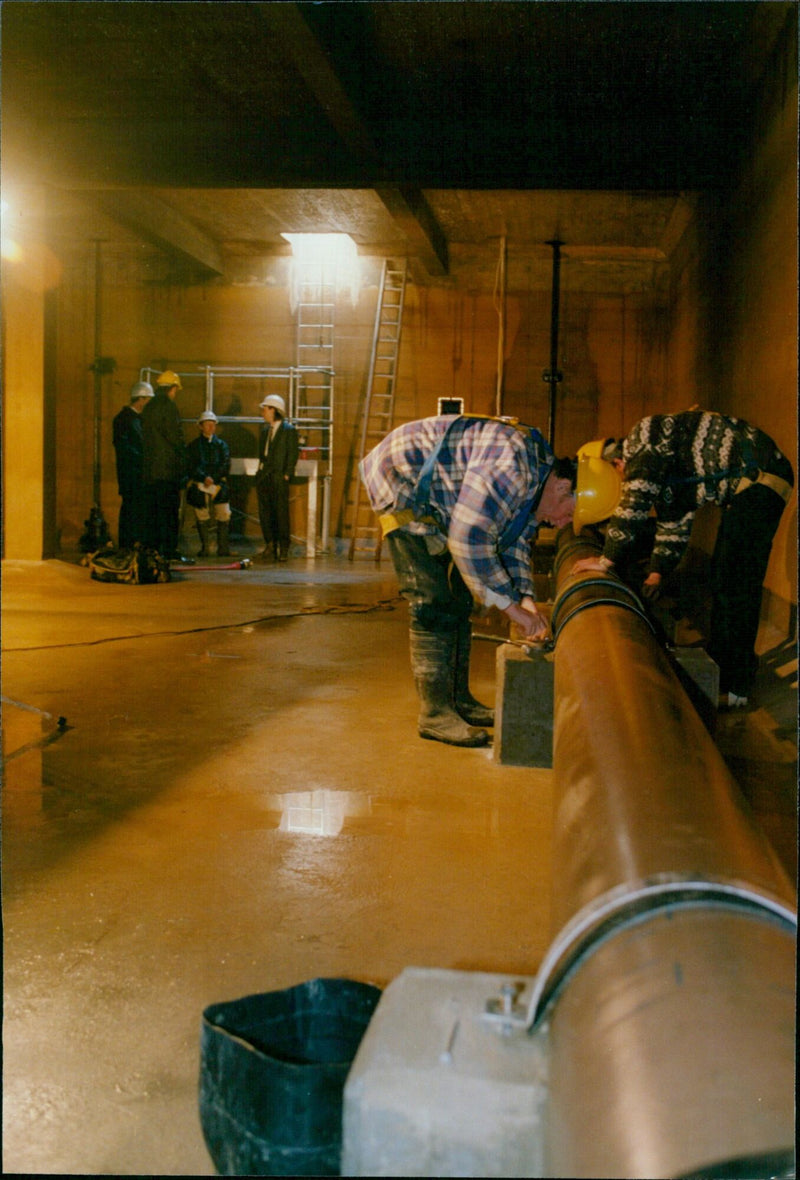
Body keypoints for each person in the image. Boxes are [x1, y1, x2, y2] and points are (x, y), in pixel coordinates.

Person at [360, 414, 578, 747]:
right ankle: (435, 714)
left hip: (436, 492)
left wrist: (525, 599)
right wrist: (511, 610)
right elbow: (467, 539)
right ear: (563, 487)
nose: (562, 524)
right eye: (568, 514)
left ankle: (458, 701)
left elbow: (514, 539)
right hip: (399, 479)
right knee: (431, 600)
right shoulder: (514, 470)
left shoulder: (537, 476)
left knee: (461, 598)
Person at [571, 409, 794, 708]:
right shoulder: (666, 467)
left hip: (760, 480)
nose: (625, 483)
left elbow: (635, 504)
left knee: (736, 582)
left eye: (621, 477)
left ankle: (737, 687)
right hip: (751, 486)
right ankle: (721, 672)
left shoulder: (644, 437)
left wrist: (605, 561)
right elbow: (673, 525)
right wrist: (657, 573)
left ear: (615, 463)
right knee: (723, 578)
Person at [141, 369, 192, 563]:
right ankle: (169, 551)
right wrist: (183, 465)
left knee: (153, 513)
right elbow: (175, 438)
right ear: (172, 389)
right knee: (170, 513)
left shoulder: (148, 407)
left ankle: (153, 552)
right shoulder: (169, 407)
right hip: (168, 472)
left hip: (150, 472)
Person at [255, 394, 299, 561]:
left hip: (279, 477)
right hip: (265, 477)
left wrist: (287, 473)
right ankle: (270, 545)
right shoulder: (265, 431)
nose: (263, 413)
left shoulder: (288, 431)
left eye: (265, 409)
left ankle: (283, 547)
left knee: (280, 513)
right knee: (266, 513)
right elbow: (263, 455)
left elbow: (292, 453)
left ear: (273, 410)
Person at [185, 411, 232, 557]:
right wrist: (203, 477)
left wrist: (214, 478)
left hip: (218, 485)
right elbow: (191, 465)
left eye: (213, 424)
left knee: (224, 513)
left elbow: (225, 464)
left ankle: (223, 548)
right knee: (201, 515)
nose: (211, 427)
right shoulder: (193, 446)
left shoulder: (222, 445)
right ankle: (205, 548)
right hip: (200, 485)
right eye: (208, 424)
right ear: (201, 426)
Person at [112, 379, 153, 547]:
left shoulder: (136, 419)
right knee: (130, 509)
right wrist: (144, 459)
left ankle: (133, 544)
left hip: (137, 473)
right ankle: (127, 544)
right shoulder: (123, 419)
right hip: (131, 474)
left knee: (136, 510)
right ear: (141, 399)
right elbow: (124, 448)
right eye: (148, 400)